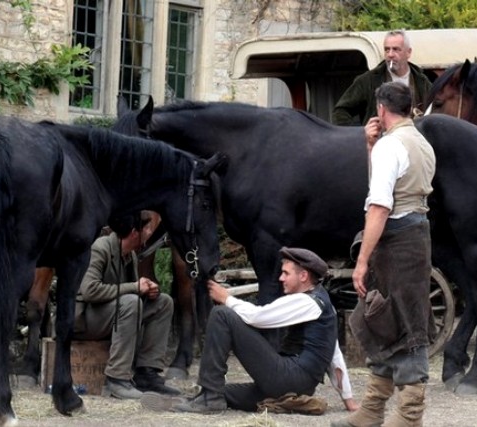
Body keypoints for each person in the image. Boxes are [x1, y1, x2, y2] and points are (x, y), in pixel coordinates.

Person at [332, 82, 436, 427]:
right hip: (414, 234)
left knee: (406, 322)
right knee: (383, 317)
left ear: (380, 109)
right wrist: (370, 145)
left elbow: (378, 206)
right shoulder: (419, 141)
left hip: (396, 240)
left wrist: (361, 262)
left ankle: (409, 417)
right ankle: (373, 410)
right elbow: (383, 183)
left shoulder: (392, 146)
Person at [150, 247, 358, 414]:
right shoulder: (322, 302)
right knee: (226, 393)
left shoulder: (309, 302)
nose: (281, 278)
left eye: (286, 273)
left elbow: (259, 317)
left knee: (223, 315)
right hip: (295, 385)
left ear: (303, 276)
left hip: (289, 378)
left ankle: (209, 397)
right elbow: (335, 354)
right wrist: (348, 399)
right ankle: (197, 398)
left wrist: (227, 298)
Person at [73, 211, 180, 399]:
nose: (149, 233)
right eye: (146, 228)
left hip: (113, 314)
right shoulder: (100, 248)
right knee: (131, 302)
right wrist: (135, 288)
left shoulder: (129, 254)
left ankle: (147, 373)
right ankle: (117, 379)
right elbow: (90, 290)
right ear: (133, 233)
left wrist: (148, 291)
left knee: (163, 303)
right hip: (86, 320)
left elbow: (129, 293)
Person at [331, 29, 432, 126]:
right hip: (381, 142)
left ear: (408, 52)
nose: (390, 55)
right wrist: (361, 135)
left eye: (396, 49)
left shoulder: (422, 81)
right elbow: (340, 112)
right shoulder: (368, 80)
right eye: (387, 50)